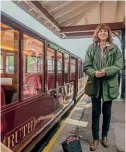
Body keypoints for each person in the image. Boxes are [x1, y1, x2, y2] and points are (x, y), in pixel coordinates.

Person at [83, 24, 123, 151]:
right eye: (101, 31)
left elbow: (119, 65)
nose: (103, 33)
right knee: (95, 113)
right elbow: (86, 65)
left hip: (109, 85)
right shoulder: (91, 48)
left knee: (107, 112)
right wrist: (94, 73)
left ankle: (104, 136)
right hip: (95, 84)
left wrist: (106, 71)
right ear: (97, 34)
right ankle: (95, 138)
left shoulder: (115, 48)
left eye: (105, 31)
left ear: (108, 34)